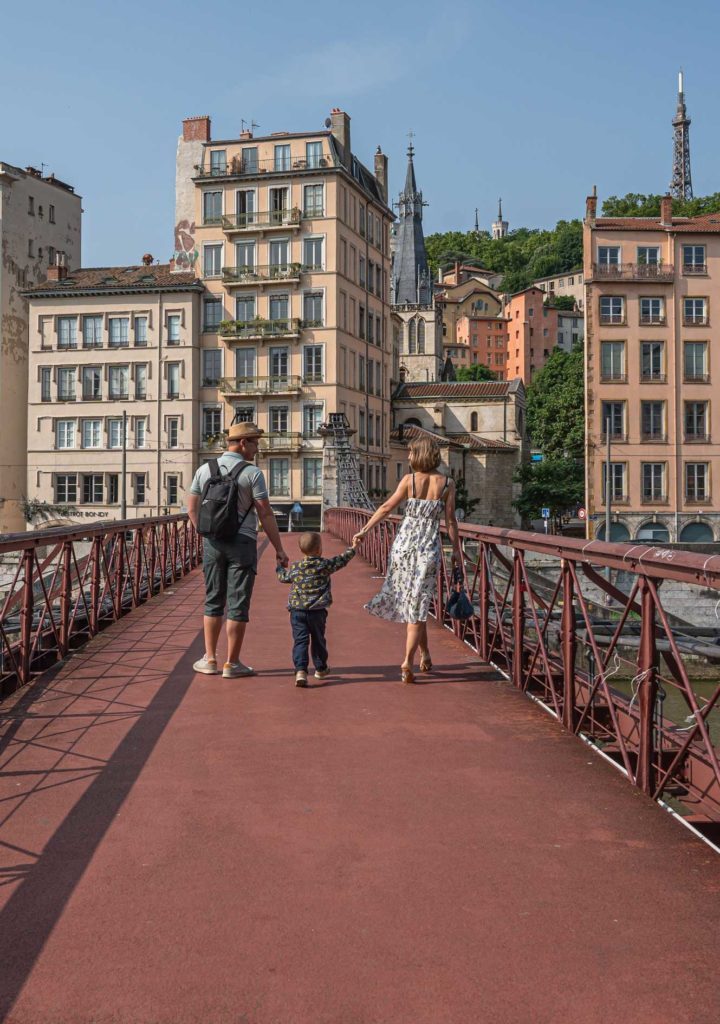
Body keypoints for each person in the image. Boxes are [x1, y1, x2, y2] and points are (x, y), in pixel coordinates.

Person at [353, 436, 462, 685]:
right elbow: (451, 521)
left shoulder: (409, 480)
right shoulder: (447, 484)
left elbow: (385, 508)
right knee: (419, 604)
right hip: (427, 550)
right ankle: (408, 661)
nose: (409, 457)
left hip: (403, 548)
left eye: (411, 453)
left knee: (415, 605)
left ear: (420, 454)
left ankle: (423, 654)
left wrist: (365, 530)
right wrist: (455, 549)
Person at [187, 421, 289, 678]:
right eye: (255, 442)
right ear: (243, 443)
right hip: (242, 543)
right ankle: (232, 664)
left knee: (213, 600)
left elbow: (191, 509)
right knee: (238, 604)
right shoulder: (252, 473)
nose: (257, 448)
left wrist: (206, 533)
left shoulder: (204, 469)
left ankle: (210, 659)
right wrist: (278, 548)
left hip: (212, 543)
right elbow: (265, 513)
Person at [276, 531, 359, 687]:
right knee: (318, 639)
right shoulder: (324, 565)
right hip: (317, 612)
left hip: (297, 611)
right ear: (319, 549)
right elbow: (342, 560)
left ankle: (300, 671)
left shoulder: (295, 568)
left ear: (301, 550)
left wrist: (279, 567)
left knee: (300, 641)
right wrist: (353, 547)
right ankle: (320, 668)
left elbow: (283, 578)